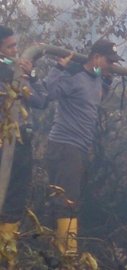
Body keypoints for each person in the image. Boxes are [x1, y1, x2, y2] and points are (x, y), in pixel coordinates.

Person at [43, 39, 123, 256]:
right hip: (65, 145)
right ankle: (66, 254)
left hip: (79, 148)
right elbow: (47, 94)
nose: (111, 65)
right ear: (96, 57)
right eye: (109, 61)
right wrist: (58, 68)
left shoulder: (96, 79)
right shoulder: (74, 77)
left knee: (70, 198)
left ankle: (52, 251)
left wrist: (106, 82)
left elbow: (94, 100)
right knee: (66, 200)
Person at [0, 24, 47, 268]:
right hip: (4, 144)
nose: (16, 51)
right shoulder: (5, 72)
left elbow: (40, 101)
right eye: (10, 47)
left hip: (21, 144)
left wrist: (32, 75)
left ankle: (7, 256)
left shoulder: (19, 72)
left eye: (16, 46)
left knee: (15, 201)